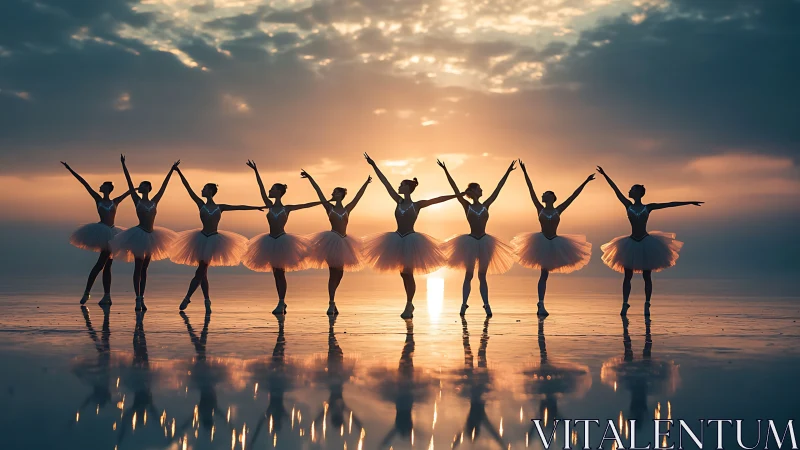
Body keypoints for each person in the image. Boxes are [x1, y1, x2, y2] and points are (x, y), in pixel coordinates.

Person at [362, 152, 463, 318]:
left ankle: (409, 304)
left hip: (411, 240)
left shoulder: (417, 205)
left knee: (408, 274)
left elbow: (438, 199)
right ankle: (409, 303)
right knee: (403, 274)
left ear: (408, 188)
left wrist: (458, 195)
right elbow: (385, 182)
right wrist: (373, 165)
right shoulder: (398, 201)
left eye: (401, 185)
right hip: (397, 238)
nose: (398, 187)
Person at [596, 166, 702, 316]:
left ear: (638, 193)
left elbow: (669, 204)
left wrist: (689, 202)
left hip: (646, 242)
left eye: (632, 189)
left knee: (647, 276)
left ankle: (647, 303)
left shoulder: (648, 207)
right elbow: (615, 190)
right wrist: (605, 174)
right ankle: (625, 303)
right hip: (631, 243)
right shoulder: (628, 205)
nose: (629, 191)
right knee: (627, 276)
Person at [172, 166, 264, 313]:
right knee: (203, 273)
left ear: (210, 191)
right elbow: (188, 188)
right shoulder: (200, 204)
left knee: (201, 271)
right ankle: (207, 301)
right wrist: (179, 172)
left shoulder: (220, 207)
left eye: (204, 188)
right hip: (201, 239)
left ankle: (188, 297)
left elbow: (239, 207)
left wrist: (256, 207)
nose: (202, 190)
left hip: (214, 241)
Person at [242, 160, 324, 314]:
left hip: (282, 241)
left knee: (281, 273)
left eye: (272, 189)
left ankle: (281, 302)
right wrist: (256, 171)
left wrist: (324, 201)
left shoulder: (287, 208)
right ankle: (281, 302)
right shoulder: (269, 205)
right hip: (270, 241)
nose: (270, 191)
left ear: (279, 192)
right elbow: (260, 189)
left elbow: (307, 205)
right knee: (276, 274)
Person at [513, 161, 594, 316]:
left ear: (552, 197)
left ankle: (541, 303)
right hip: (541, 242)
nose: (542, 195)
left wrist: (586, 181)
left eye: (545, 194)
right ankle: (541, 303)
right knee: (543, 274)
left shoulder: (558, 209)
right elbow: (531, 190)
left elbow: (573, 196)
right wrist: (524, 172)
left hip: (555, 242)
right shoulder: (540, 208)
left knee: (545, 274)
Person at [437, 159, 516, 317]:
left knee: (482, 276)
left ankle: (486, 304)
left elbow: (498, 189)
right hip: (471, 242)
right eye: (479, 188)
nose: (482, 190)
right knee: (469, 275)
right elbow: (455, 189)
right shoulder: (467, 206)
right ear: (473, 191)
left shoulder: (486, 205)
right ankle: (463, 304)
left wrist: (508, 172)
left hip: (485, 242)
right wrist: (445, 170)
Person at [110, 155, 179, 311]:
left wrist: (171, 170)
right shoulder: (137, 200)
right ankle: (137, 299)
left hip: (151, 236)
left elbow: (164, 186)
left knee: (145, 269)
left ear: (147, 188)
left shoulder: (154, 201)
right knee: (138, 267)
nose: (139, 187)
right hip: (139, 235)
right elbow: (129, 182)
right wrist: (123, 165)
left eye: (142, 185)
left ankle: (142, 297)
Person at [301, 169, 372, 315]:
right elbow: (318, 192)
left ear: (341, 195)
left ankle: (333, 301)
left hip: (345, 242)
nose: (332, 194)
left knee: (339, 274)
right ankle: (331, 302)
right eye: (333, 192)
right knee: (332, 273)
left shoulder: (347, 209)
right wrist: (310, 177)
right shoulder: (329, 207)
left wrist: (366, 183)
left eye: (335, 192)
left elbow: (358, 197)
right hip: (331, 242)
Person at [62, 161, 131, 305]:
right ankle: (88, 292)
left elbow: (129, 192)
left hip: (113, 233)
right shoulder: (98, 199)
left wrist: (133, 185)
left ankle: (106, 296)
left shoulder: (115, 201)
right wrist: (70, 169)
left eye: (103, 185)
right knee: (100, 264)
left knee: (107, 266)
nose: (100, 186)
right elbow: (84, 183)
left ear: (108, 189)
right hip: (103, 232)